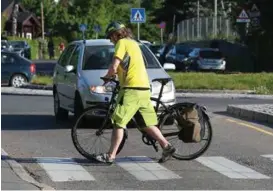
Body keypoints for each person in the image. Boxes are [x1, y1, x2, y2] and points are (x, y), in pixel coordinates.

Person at [94, 21, 176, 164]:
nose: (110, 39)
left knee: (119, 122)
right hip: (144, 88)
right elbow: (128, 65)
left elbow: (115, 65)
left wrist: (107, 77)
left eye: (110, 36)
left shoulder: (121, 43)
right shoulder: (134, 44)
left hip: (131, 89)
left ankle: (110, 156)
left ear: (116, 34)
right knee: (147, 123)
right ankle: (166, 146)